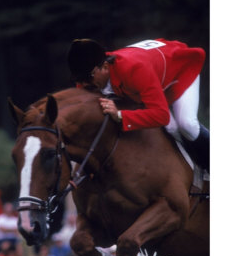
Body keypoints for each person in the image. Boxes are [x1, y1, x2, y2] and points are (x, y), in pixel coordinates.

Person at [67, 38, 209, 172]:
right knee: (171, 129)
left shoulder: (134, 69)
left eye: (88, 77)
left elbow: (162, 116)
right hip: (151, 80)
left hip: (179, 71)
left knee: (186, 124)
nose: (84, 84)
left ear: (104, 66)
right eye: (80, 80)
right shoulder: (87, 77)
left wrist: (120, 115)